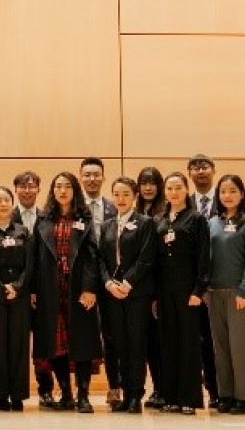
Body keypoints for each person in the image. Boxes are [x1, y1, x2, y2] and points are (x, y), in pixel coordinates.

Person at [31, 172, 101, 413]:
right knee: (56, 343)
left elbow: (92, 256)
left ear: (74, 191)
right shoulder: (43, 220)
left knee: (81, 342)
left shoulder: (84, 218)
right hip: (50, 289)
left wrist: (90, 288)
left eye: (67, 186)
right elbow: (35, 259)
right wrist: (33, 290)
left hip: (78, 289)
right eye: (58, 186)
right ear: (52, 190)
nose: (62, 191)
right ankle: (66, 394)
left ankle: (83, 395)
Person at [98, 177, 156, 414]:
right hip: (112, 294)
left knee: (136, 344)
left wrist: (128, 283)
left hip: (137, 294)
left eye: (125, 194)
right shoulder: (107, 225)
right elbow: (101, 259)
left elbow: (146, 258)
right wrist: (108, 283)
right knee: (119, 344)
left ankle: (135, 395)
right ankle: (123, 391)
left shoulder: (145, 223)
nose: (121, 199)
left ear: (134, 197)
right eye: (117, 194)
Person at [155, 171, 209, 415]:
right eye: (169, 188)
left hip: (189, 290)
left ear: (186, 190)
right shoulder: (160, 220)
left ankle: (190, 397)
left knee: (189, 343)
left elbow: (203, 258)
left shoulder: (196, 219)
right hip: (165, 291)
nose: (173, 193)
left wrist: (199, 289)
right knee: (168, 342)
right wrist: (155, 296)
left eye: (178, 188)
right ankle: (170, 396)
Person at [206, 174, 245, 415]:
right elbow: (205, 257)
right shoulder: (211, 223)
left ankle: (244, 396)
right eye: (223, 191)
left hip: (240, 294)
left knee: (241, 347)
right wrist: (205, 288)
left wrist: (244, 290)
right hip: (214, 293)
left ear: (242, 194)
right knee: (221, 347)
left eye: (232, 191)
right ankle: (226, 394)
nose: (227, 195)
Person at [0, 186, 34, 411]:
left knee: (19, 345)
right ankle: (0, 395)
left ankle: (18, 395)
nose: (3, 204)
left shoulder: (22, 231)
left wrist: (17, 287)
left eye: (6, 200)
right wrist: (1, 288)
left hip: (19, 296)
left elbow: (30, 264)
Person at [79, 157, 118, 406]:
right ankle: (80, 391)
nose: (92, 179)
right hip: (82, 280)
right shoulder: (72, 208)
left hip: (110, 279)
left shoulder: (114, 207)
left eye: (96, 174)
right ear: (80, 177)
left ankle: (115, 386)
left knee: (112, 335)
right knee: (82, 336)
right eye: (87, 174)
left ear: (103, 177)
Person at [13, 171, 53, 405]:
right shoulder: (7, 215)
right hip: (15, 289)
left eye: (31, 187)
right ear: (16, 190)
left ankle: (45, 389)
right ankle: (15, 389)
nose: (27, 190)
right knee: (15, 341)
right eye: (22, 186)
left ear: (38, 189)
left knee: (43, 342)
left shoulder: (47, 217)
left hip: (43, 290)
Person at [187, 154, 219, 407]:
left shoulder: (228, 198)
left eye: (204, 167)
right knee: (194, 340)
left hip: (221, 283)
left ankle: (217, 391)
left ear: (213, 170)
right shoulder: (182, 203)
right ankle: (194, 389)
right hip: (191, 286)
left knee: (215, 340)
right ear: (189, 173)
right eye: (195, 168)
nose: (200, 171)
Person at [135, 166, 166, 409]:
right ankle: (148, 388)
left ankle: (162, 388)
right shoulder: (134, 211)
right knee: (143, 343)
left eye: (152, 182)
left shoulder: (165, 211)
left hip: (158, 286)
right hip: (137, 287)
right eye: (143, 183)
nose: (148, 187)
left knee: (159, 342)